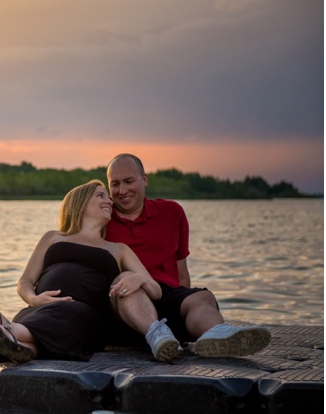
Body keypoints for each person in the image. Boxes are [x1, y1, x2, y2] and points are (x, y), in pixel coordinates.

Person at [0, 179, 170, 363]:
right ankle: (17, 346)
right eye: (100, 195)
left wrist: (139, 280)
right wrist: (34, 299)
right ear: (81, 203)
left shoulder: (118, 249)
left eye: (108, 197)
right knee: (38, 331)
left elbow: (156, 290)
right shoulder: (53, 237)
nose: (109, 200)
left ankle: (9, 329)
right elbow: (25, 281)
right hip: (39, 310)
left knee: (69, 313)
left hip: (85, 316)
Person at [104, 153, 271, 359]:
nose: (122, 191)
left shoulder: (172, 212)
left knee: (201, 297)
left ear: (144, 179)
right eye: (115, 184)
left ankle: (217, 334)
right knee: (125, 281)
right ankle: (155, 334)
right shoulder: (101, 217)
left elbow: (181, 271)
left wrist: (186, 297)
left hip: (167, 301)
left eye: (129, 181)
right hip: (124, 311)